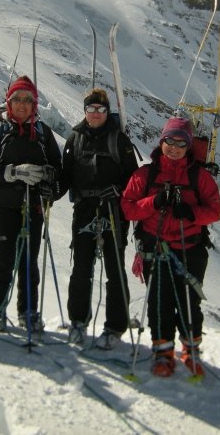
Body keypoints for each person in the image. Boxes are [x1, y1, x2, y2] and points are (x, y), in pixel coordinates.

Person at [121, 117, 220, 377]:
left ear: (189, 146)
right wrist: (154, 202)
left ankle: (190, 350)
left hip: (189, 249)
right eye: (170, 141)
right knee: (159, 302)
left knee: (189, 302)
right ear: (162, 141)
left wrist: (190, 212)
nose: (174, 147)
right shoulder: (146, 174)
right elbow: (128, 207)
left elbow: (214, 211)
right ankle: (163, 352)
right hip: (156, 248)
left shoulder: (199, 176)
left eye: (181, 143)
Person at [0, 76, 62, 333]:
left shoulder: (44, 133)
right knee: (3, 259)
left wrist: (47, 177)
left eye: (27, 100)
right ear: (8, 102)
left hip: (33, 207)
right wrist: (11, 172)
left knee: (28, 261)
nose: (22, 105)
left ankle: (28, 312)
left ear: (35, 104)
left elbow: (58, 170)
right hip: (2, 206)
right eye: (17, 99)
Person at [59, 88, 139, 349]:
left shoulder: (120, 141)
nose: (95, 114)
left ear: (107, 112)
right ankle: (78, 322)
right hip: (84, 209)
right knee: (81, 268)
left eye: (101, 110)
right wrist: (50, 190)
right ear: (85, 111)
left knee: (114, 270)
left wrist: (119, 190)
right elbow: (66, 176)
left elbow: (134, 179)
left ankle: (115, 327)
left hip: (112, 211)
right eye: (91, 109)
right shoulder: (75, 139)